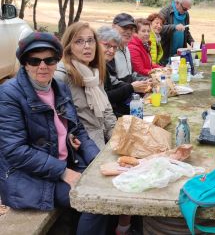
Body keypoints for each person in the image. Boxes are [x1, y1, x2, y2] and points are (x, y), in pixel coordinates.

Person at [0, 32, 109, 235]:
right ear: (24, 63)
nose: (43, 66)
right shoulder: (9, 94)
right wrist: (64, 172)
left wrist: (96, 161)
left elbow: (77, 129)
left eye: (49, 60)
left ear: (56, 60)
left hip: (62, 163)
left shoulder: (58, 87)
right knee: (95, 198)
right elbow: (15, 151)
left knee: (108, 184)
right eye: (35, 60)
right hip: (30, 178)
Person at [54, 22, 117, 150]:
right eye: (79, 41)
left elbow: (106, 111)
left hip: (101, 142)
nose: (87, 46)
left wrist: (117, 137)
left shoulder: (94, 72)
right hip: (80, 148)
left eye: (90, 41)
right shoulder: (61, 76)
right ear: (68, 46)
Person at [97, 26, 150, 117]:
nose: (111, 50)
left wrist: (141, 84)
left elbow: (116, 83)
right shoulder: (95, 67)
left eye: (114, 47)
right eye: (107, 45)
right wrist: (131, 88)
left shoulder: (105, 63)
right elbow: (105, 98)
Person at [159, 0, 194, 64]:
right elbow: (159, 29)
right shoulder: (165, 12)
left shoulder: (186, 14)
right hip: (166, 55)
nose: (186, 11)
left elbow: (186, 31)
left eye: (188, 9)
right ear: (177, 3)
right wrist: (174, 27)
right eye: (184, 9)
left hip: (180, 55)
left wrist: (191, 40)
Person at [112, 12, 137, 80]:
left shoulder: (126, 48)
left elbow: (129, 77)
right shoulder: (109, 52)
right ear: (113, 27)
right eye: (125, 28)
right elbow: (111, 86)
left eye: (131, 29)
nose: (129, 32)